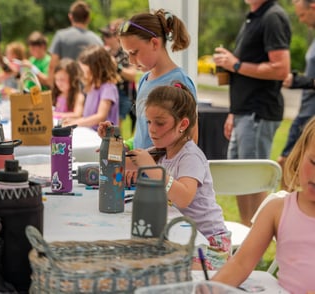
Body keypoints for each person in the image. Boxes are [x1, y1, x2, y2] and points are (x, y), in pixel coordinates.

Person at [119, 82, 230, 270]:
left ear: (183, 124)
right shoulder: (161, 151)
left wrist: (151, 168)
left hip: (209, 245)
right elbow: (123, 162)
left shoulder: (190, 156)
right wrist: (110, 142)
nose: (152, 129)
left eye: (160, 123)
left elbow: (184, 197)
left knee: (163, 270)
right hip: (181, 236)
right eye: (149, 122)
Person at [212, 116, 315, 293]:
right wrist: (208, 289)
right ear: (301, 153)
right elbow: (240, 263)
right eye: (313, 162)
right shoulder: (277, 210)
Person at [213, 0, 291, 227]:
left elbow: (281, 69)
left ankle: (257, 240)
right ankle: (248, 236)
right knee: (240, 180)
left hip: (259, 112)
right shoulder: (254, 16)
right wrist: (233, 113)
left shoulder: (272, 17)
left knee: (254, 180)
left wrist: (235, 65)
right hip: (243, 113)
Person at [115, 9, 197, 150]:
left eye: (134, 53)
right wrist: (125, 146)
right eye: (127, 54)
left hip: (162, 171)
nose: (131, 60)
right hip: (141, 169)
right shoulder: (144, 79)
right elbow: (143, 134)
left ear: (154, 43)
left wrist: (148, 158)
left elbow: (190, 139)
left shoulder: (178, 81)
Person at [278, 0, 315, 191]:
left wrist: (301, 82)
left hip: (311, 118)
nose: (301, 20)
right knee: (288, 163)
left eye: (302, 15)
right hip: (305, 112)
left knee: (287, 163)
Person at [62, 45, 119, 130]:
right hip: (90, 133)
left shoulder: (108, 88)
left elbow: (100, 117)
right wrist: (75, 120)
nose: (84, 75)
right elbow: (88, 116)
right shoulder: (92, 86)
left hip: (103, 138)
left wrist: (75, 123)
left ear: (97, 69)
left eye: (87, 72)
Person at [47, 0, 103, 86]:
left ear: (70, 17)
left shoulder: (60, 36)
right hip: (91, 89)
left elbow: (52, 66)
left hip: (67, 90)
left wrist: (53, 87)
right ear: (88, 18)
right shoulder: (97, 40)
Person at [100, 19, 138, 130]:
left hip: (122, 94)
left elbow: (132, 75)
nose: (104, 38)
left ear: (116, 36)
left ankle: (115, 146)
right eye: (104, 35)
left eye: (107, 35)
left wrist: (116, 66)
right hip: (106, 92)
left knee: (114, 128)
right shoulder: (104, 52)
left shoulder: (126, 52)